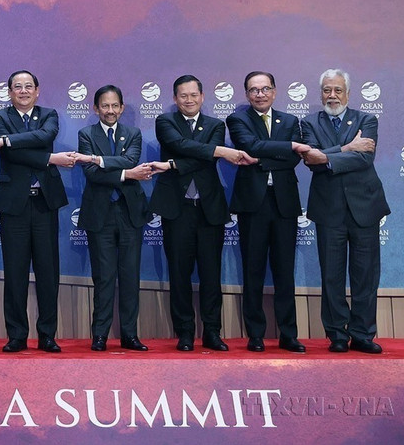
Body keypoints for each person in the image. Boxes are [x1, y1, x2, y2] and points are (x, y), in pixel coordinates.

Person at [149, 74, 256, 352]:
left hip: (209, 209)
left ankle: (211, 331)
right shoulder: (165, 122)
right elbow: (181, 146)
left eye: (193, 95)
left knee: (211, 274)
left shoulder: (215, 125)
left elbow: (198, 158)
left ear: (202, 97)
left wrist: (173, 165)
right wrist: (216, 151)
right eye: (183, 96)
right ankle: (184, 332)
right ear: (175, 99)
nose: (189, 100)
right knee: (179, 273)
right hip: (177, 209)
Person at [298, 68, 389, 354]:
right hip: (329, 210)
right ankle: (337, 334)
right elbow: (311, 161)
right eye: (327, 90)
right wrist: (348, 146)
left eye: (338, 90)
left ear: (348, 93)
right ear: (321, 92)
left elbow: (364, 158)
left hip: (365, 208)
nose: (332, 95)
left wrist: (328, 155)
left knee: (365, 275)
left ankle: (362, 334)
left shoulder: (367, 119)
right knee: (332, 275)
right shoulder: (309, 122)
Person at [0, 70, 74, 353]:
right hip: (14, 203)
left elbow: (45, 135)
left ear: (37, 91)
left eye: (28, 86)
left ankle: (47, 335)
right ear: (10, 92)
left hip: (44, 202)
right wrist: (49, 157)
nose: (23, 91)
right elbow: (12, 155)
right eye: (17, 87)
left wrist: (10, 140)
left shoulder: (49, 114)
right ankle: (16, 335)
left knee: (48, 272)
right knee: (15, 273)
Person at [226, 71, 306, 353]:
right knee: (253, 270)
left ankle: (288, 334)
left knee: (285, 272)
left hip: (284, 202)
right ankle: (256, 335)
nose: (260, 94)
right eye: (253, 90)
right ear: (247, 94)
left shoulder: (290, 120)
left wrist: (261, 158)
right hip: (253, 204)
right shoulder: (238, 119)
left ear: (274, 91)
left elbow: (293, 159)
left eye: (265, 89)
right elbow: (248, 145)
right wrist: (286, 148)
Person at [75, 85, 158, 352]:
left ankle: (129, 335)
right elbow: (91, 173)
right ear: (95, 108)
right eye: (105, 106)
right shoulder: (86, 133)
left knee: (130, 275)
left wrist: (99, 160)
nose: (110, 111)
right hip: (100, 214)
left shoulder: (133, 133)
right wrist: (126, 173)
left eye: (115, 106)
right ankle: (99, 335)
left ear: (122, 108)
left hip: (130, 213)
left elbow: (132, 159)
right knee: (104, 276)